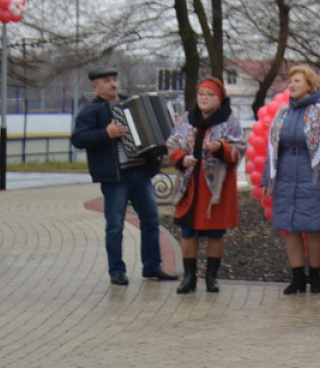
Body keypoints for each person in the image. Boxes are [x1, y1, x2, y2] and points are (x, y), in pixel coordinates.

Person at [70, 66, 179, 286]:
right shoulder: (91, 111)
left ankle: (152, 267)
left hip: (141, 171)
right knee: (115, 224)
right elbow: (78, 139)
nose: (113, 84)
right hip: (115, 177)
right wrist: (105, 133)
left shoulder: (134, 104)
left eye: (114, 80)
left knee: (150, 220)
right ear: (95, 87)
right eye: (106, 81)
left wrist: (172, 125)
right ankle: (117, 271)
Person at [261, 65, 320, 295]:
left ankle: (315, 277)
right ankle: (297, 277)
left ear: (310, 85)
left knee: (313, 228)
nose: (292, 85)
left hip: (314, 179)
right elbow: (272, 149)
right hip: (287, 179)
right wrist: (267, 179)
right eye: (290, 81)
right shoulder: (282, 113)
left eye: (297, 81)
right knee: (290, 229)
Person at [165, 77, 246, 294]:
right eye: (201, 94)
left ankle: (211, 277)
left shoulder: (229, 122)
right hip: (189, 186)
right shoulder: (186, 120)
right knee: (188, 231)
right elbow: (172, 144)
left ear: (219, 99)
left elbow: (240, 148)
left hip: (215, 188)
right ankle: (189, 277)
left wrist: (221, 148)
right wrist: (181, 158)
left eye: (210, 95)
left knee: (215, 233)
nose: (204, 98)